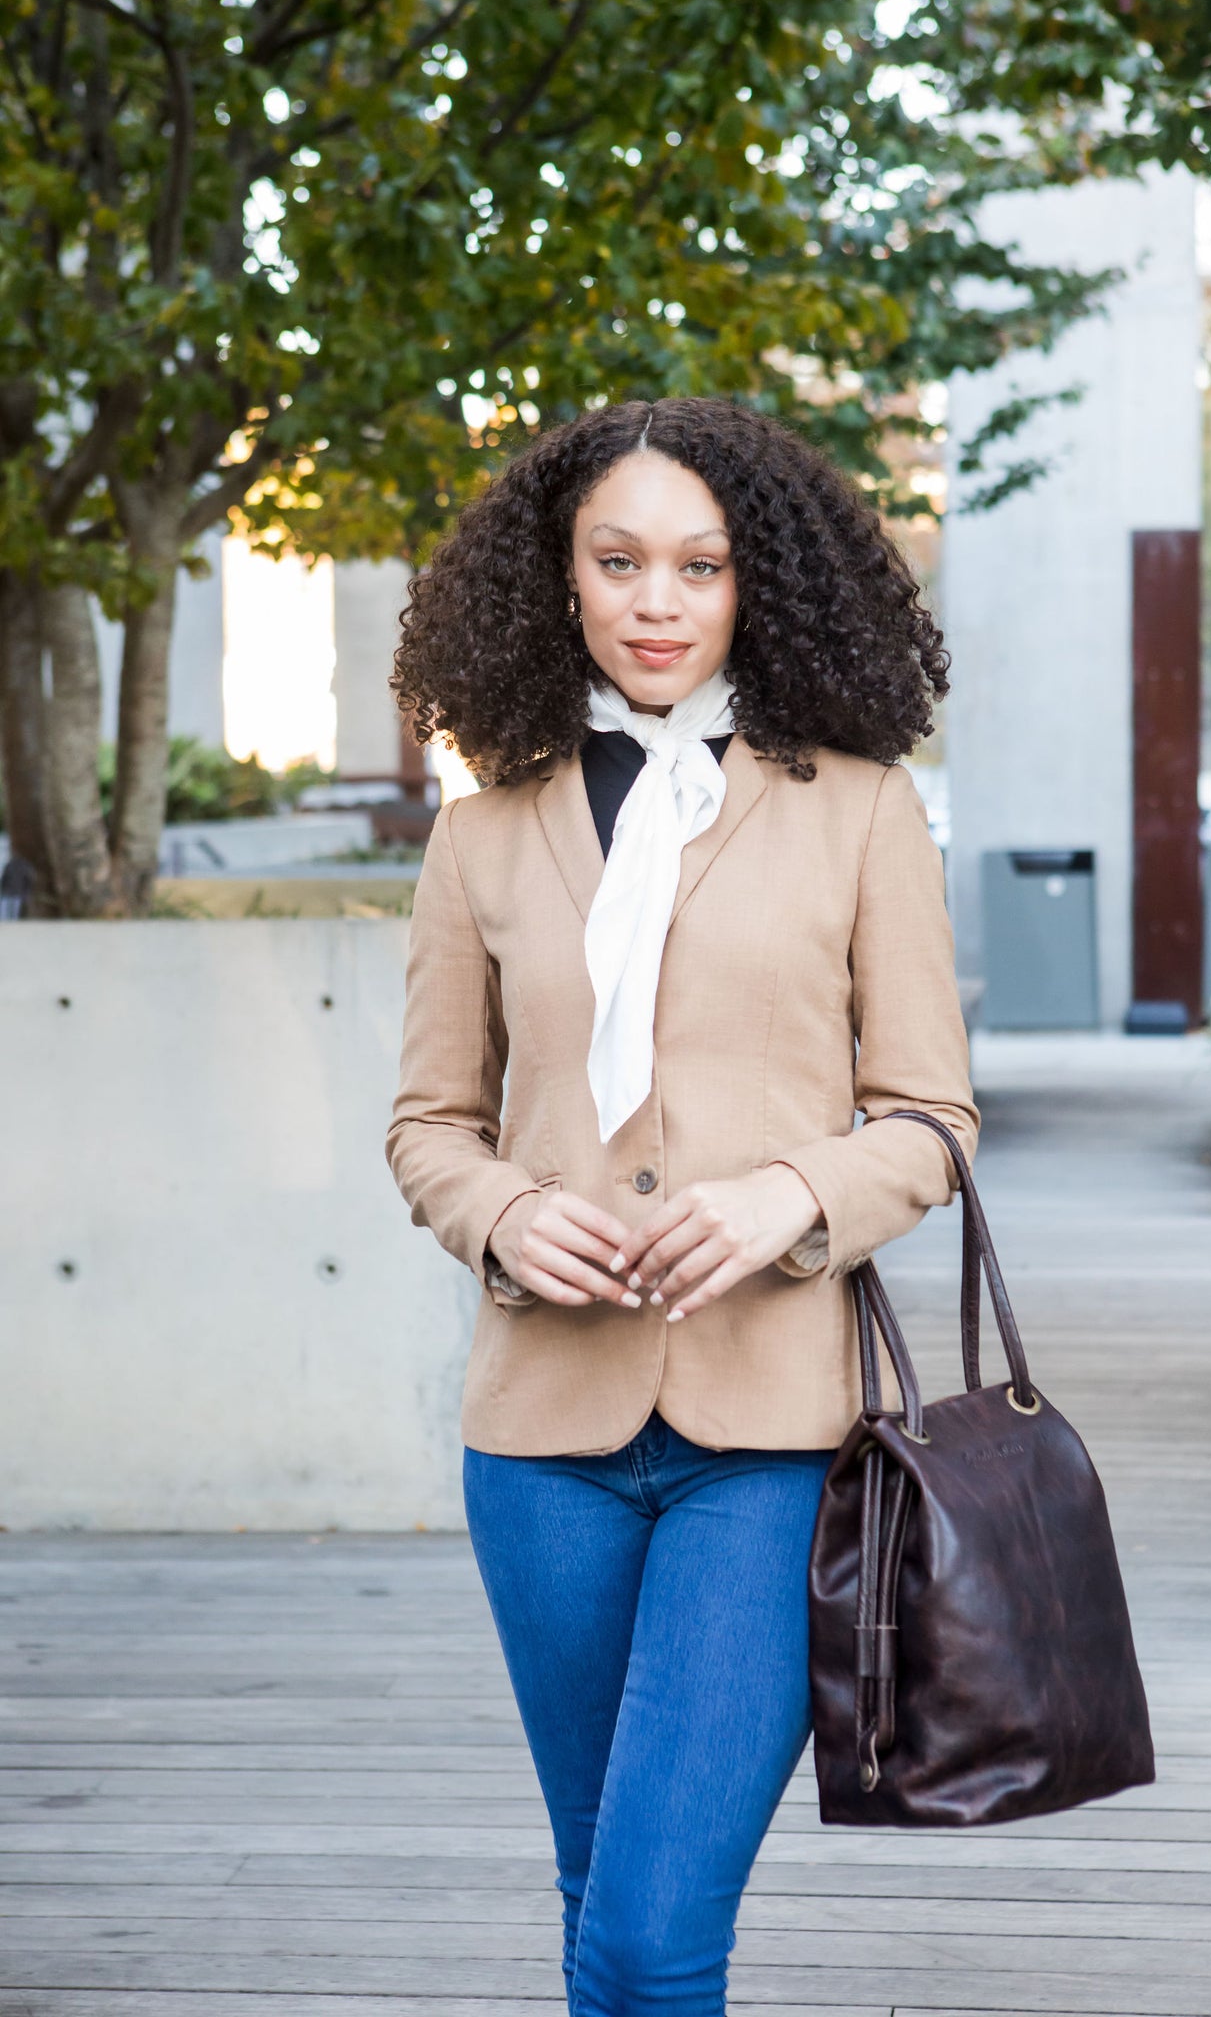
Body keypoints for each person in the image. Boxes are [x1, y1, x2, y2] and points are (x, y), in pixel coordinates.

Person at [386, 396, 979, 2017]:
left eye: (699, 566)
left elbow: (931, 1121)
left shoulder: (858, 808)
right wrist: (502, 1212)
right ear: (558, 580)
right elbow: (430, 1121)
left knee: (650, 1927)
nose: (657, 601)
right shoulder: (481, 828)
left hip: (775, 1439)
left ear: (755, 584)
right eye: (619, 561)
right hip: (543, 1445)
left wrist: (791, 1190)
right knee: (599, 1902)